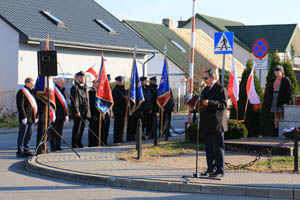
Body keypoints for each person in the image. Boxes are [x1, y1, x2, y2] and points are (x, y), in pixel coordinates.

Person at [200, 69, 228, 178]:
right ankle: (210, 169)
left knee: (217, 148)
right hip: (207, 123)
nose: (204, 80)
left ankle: (220, 170)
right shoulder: (205, 90)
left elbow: (223, 104)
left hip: (217, 123)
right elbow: (201, 102)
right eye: (204, 78)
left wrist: (209, 102)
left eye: (206, 78)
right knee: (209, 149)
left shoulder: (220, 89)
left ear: (213, 78)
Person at [16, 77, 38, 157]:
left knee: (29, 135)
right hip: (24, 118)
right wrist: (23, 116)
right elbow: (20, 106)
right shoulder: (21, 92)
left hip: (32, 118)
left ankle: (26, 149)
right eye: (31, 84)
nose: (32, 85)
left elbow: (35, 105)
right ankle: (19, 151)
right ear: (26, 83)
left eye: (33, 84)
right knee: (22, 134)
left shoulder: (32, 92)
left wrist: (36, 116)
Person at [70, 71, 91, 148]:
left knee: (82, 128)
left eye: (83, 77)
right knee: (77, 128)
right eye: (80, 77)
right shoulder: (75, 88)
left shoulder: (85, 87)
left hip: (85, 111)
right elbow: (75, 101)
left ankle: (79, 142)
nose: (82, 78)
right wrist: (77, 111)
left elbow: (87, 100)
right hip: (79, 111)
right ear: (77, 78)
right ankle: (74, 143)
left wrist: (88, 112)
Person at [270, 65, 292, 136]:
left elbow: (288, 91)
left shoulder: (285, 80)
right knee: (275, 114)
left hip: (281, 98)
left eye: (278, 71)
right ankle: (276, 130)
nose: (277, 72)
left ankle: (282, 131)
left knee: (281, 114)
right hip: (274, 97)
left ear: (282, 72)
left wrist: (286, 101)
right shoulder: (273, 79)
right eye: (276, 71)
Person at [50, 77, 69, 151]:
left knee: (60, 131)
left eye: (63, 82)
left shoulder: (63, 90)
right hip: (56, 114)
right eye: (61, 82)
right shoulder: (54, 90)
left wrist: (66, 114)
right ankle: (53, 146)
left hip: (62, 114)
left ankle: (58, 145)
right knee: (54, 131)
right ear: (57, 82)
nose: (63, 83)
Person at [112, 76, 128, 144]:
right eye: (119, 81)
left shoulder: (124, 89)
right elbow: (117, 100)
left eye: (121, 81)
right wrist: (125, 99)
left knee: (122, 125)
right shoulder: (115, 90)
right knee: (118, 126)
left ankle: (121, 138)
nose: (120, 83)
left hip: (124, 110)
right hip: (118, 110)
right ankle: (117, 139)